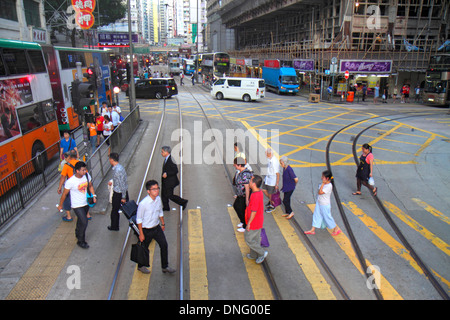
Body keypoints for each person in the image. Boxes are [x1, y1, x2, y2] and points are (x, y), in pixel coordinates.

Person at [136, 180, 176, 274]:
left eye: (157, 188)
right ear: (148, 191)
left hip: (156, 227)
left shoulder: (158, 199)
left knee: (164, 245)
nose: (157, 191)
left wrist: (163, 223)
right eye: (154, 189)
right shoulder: (143, 204)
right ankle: (141, 266)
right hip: (146, 230)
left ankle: (165, 266)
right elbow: (139, 220)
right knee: (144, 248)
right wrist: (141, 234)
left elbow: (160, 212)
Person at [57, 161, 97, 249]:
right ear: (77, 171)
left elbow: (90, 186)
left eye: (85, 169)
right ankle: (81, 241)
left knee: (81, 220)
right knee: (84, 221)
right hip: (76, 205)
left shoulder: (87, 176)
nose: (85, 171)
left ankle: (78, 231)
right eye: (83, 170)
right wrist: (61, 205)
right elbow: (64, 194)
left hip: (85, 203)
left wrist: (94, 195)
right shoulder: (71, 181)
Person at [57, 150, 92, 222]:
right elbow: (86, 173)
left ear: (69, 156)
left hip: (71, 186)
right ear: (76, 156)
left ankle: (69, 216)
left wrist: (60, 187)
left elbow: (63, 177)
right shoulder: (80, 164)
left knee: (67, 199)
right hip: (81, 184)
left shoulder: (67, 165)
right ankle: (87, 214)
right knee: (85, 197)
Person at [304, 170, 341, 236]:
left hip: (325, 204)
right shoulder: (323, 184)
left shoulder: (329, 186)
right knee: (316, 215)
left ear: (327, 178)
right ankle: (312, 229)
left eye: (323, 177)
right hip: (319, 202)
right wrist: (323, 184)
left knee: (327, 217)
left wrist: (323, 184)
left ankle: (336, 228)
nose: (321, 178)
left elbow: (320, 192)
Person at [245, 175, 268, 264]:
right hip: (258, 220)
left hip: (254, 222)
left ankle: (262, 253)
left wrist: (249, 223)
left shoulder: (255, 196)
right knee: (255, 239)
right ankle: (254, 255)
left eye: (250, 181)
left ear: (254, 184)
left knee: (249, 239)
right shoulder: (259, 192)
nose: (249, 182)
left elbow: (254, 211)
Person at [161, 146, 188, 211]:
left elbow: (175, 170)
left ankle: (183, 202)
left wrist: (167, 174)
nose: (161, 153)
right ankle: (166, 207)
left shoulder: (171, 159)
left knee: (170, 195)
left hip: (170, 182)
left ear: (166, 152)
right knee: (163, 195)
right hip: (166, 181)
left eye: (162, 152)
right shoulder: (167, 158)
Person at [107, 153, 129, 231]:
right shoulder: (119, 168)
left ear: (112, 160)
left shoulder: (117, 170)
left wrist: (123, 197)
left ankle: (115, 226)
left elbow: (122, 183)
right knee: (124, 210)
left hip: (119, 193)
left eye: (109, 159)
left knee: (115, 211)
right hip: (121, 192)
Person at [233, 157, 253, 233]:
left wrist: (247, 199)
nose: (235, 166)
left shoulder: (245, 174)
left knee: (242, 210)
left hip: (244, 196)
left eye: (236, 165)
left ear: (239, 165)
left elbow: (247, 187)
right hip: (240, 195)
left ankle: (245, 225)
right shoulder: (240, 172)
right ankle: (242, 221)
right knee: (236, 206)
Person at [262, 148, 280, 213]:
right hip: (267, 178)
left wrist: (277, 184)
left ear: (269, 154)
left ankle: (272, 205)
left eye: (266, 154)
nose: (265, 155)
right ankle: (271, 200)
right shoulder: (269, 159)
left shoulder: (274, 162)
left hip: (272, 181)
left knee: (270, 193)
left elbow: (278, 174)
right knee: (264, 189)